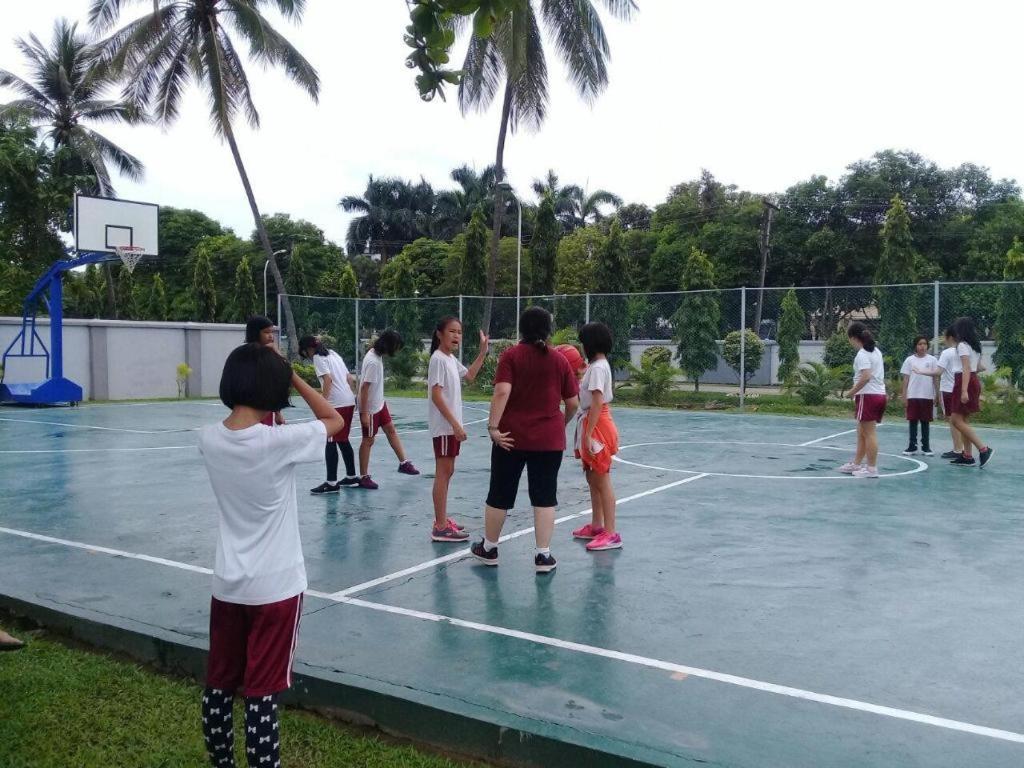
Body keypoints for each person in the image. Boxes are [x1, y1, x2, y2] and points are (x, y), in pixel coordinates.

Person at [197, 343, 344, 768]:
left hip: (227, 584)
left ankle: (222, 762)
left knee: (219, 684)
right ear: (271, 387)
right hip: (276, 587)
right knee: (262, 693)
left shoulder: (207, 440)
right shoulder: (279, 443)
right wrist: (295, 377)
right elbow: (333, 420)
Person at [471, 307, 579, 573]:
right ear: (548, 330)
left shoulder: (511, 356)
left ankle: (489, 548)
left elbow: (501, 392)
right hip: (549, 441)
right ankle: (543, 556)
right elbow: (573, 403)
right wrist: (559, 424)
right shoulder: (559, 360)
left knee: (499, 493)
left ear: (521, 329)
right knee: (544, 497)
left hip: (511, 438)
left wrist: (493, 427)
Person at [427, 317, 489, 542]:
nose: (456, 336)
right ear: (439, 334)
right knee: (443, 473)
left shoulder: (450, 359)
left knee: (448, 471)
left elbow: (470, 376)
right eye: (451, 331)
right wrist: (454, 424)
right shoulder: (438, 360)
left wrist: (483, 351)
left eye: (459, 332)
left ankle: (441, 520)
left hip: (450, 427)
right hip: (444, 427)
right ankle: (440, 527)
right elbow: (436, 395)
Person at [566, 323, 622, 551]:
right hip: (591, 422)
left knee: (602, 479)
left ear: (590, 343)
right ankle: (597, 525)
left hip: (597, 424)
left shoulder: (599, 367)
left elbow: (598, 401)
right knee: (592, 477)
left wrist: (588, 435)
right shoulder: (595, 366)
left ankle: (611, 533)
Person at [298, 335, 360, 494]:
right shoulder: (333, 354)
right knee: (343, 440)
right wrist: (353, 395)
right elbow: (349, 378)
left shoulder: (318, 357)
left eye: (305, 353)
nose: (307, 356)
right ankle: (352, 476)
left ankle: (332, 482)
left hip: (336, 404)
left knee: (330, 441)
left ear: (308, 349)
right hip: (348, 400)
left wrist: (323, 403)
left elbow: (328, 380)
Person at [358, 330, 419, 489]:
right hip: (370, 408)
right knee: (368, 441)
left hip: (379, 404)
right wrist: (364, 414)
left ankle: (403, 463)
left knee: (391, 430)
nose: (397, 350)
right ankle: (364, 476)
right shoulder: (372, 361)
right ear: (389, 345)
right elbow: (364, 388)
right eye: (397, 347)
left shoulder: (376, 355)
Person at [838, 322, 887, 479]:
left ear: (853, 338)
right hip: (878, 394)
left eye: (849, 339)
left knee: (869, 433)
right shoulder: (876, 352)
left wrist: (851, 392)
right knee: (862, 432)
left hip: (869, 396)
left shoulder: (862, 354)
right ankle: (857, 464)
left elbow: (866, 376)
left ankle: (871, 468)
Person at [946, 317, 994, 467]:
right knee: (963, 420)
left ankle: (983, 449)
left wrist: (964, 390)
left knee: (955, 420)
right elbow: (978, 367)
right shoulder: (975, 345)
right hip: (972, 379)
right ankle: (967, 456)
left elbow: (966, 367)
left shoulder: (962, 346)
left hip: (964, 381)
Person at [915, 328, 965, 458]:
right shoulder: (965, 351)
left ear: (949, 337)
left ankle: (958, 449)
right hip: (960, 388)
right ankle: (964, 449)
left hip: (948, 389)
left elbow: (938, 372)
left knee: (952, 420)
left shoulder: (947, 353)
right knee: (962, 420)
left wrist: (921, 372)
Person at [899, 335, 939, 456]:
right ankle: (912, 446)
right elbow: (905, 380)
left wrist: (937, 394)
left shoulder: (932, 360)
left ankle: (926, 447)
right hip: (913, 395)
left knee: (925, 422)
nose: (922, 346)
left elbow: (935, 378)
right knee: (912, 421)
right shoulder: (909, 360)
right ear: (915, 346)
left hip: (927, 395)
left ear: (927, 346)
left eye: (924, 344)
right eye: (920, 344)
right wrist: (904, 395)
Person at [245, 316, 285, 427]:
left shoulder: (269, 353)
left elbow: (274, 384)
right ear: (255, 333)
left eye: (272, 332)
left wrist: (277, 412)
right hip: (249, 410)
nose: (271, 336)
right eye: (266, 332)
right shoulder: (247, 354)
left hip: (266, 410)